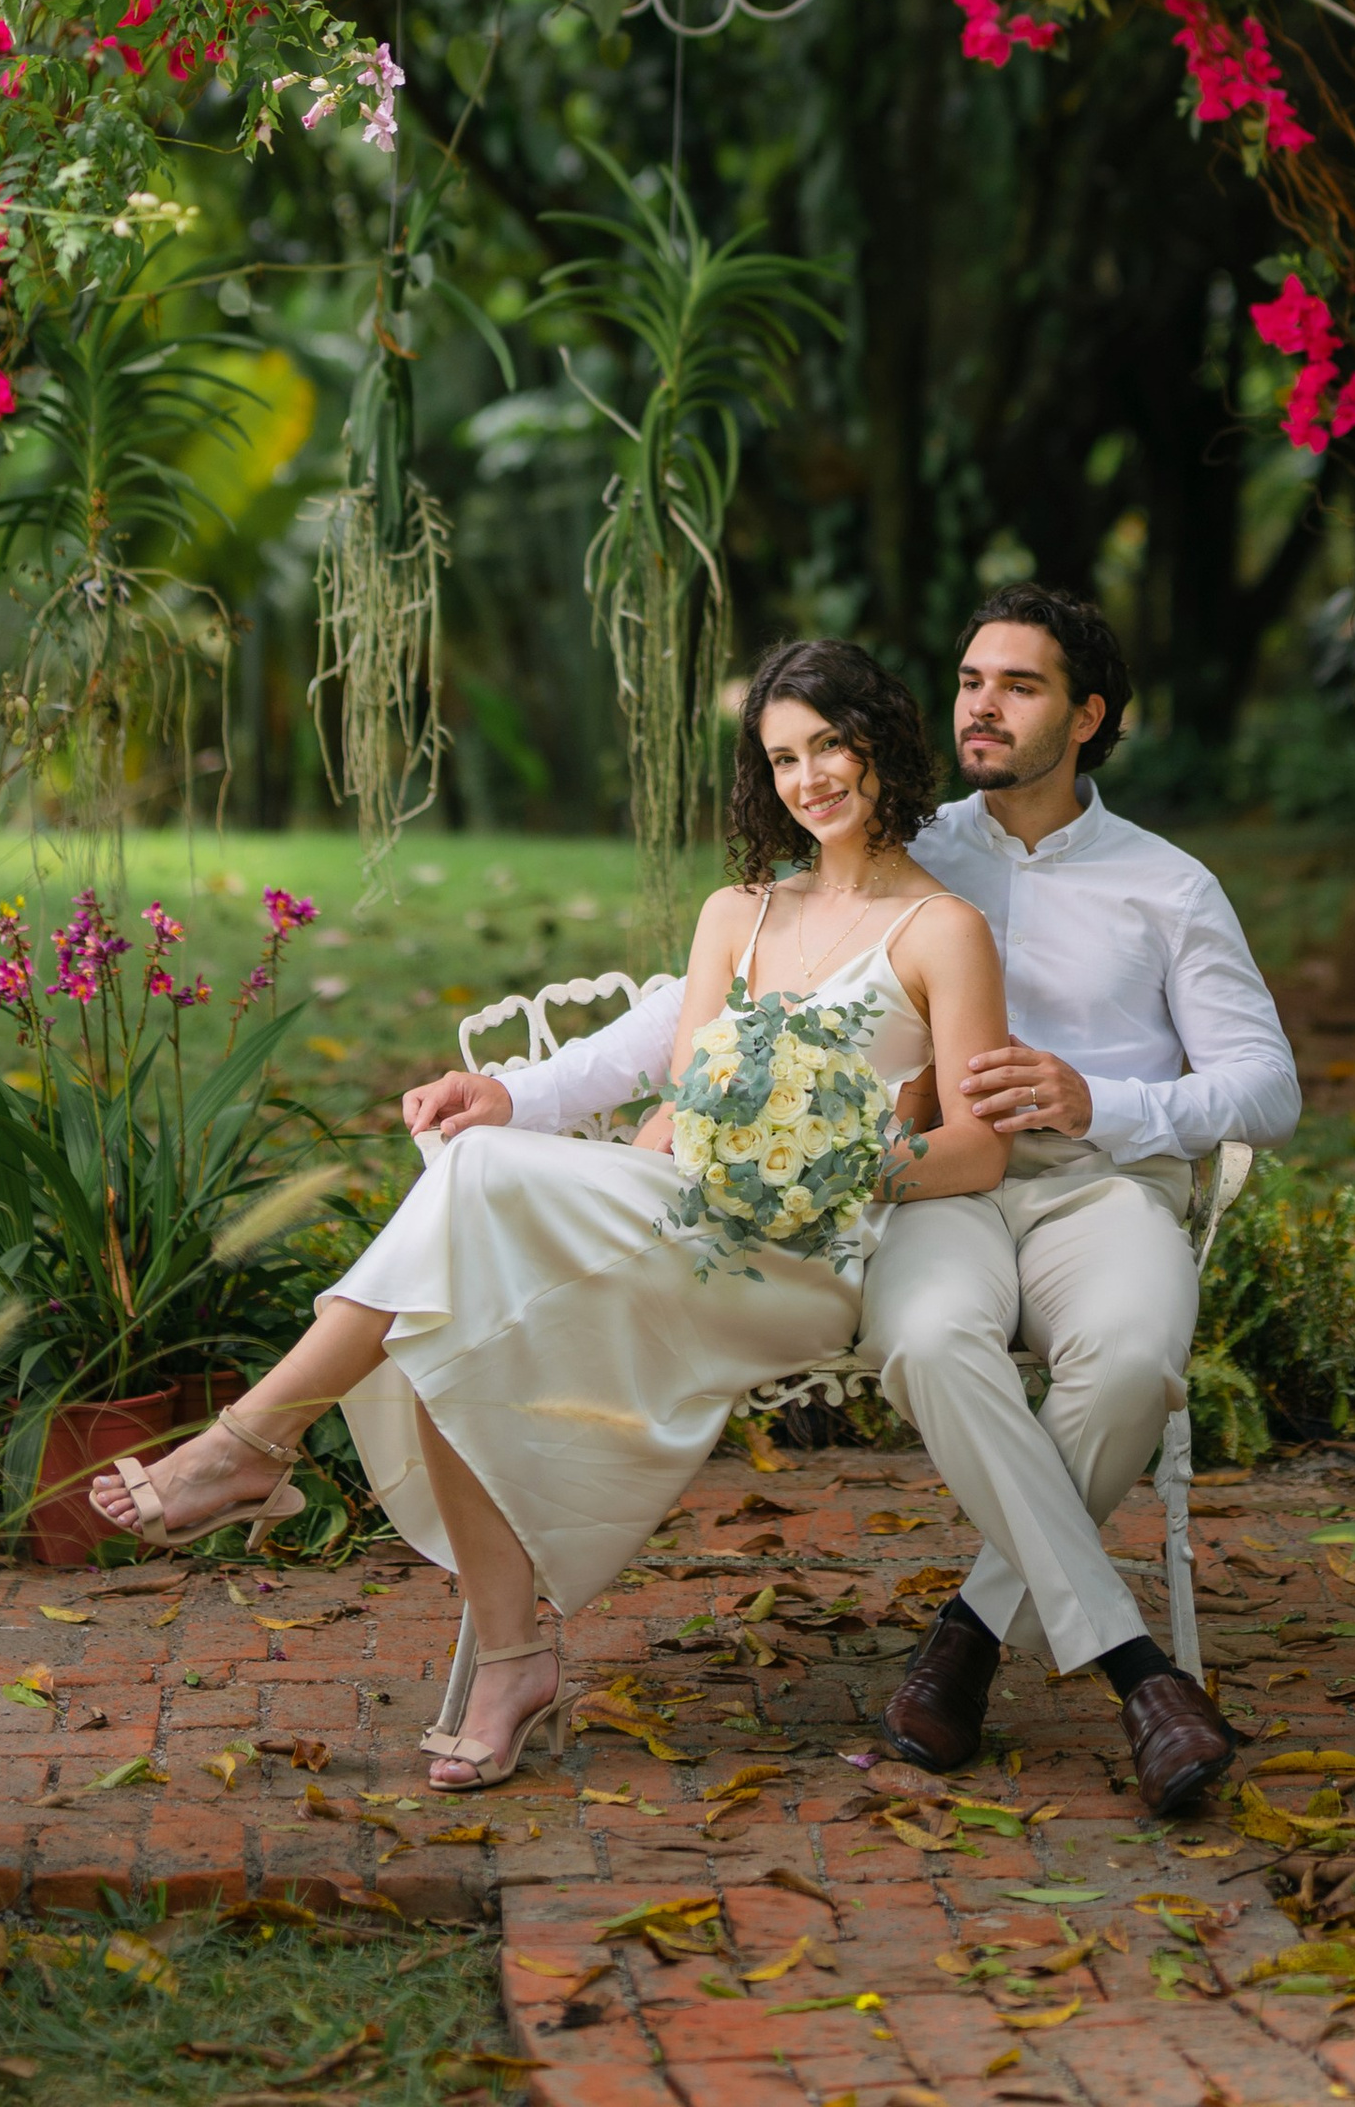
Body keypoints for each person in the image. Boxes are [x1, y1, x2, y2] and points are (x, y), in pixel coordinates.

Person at [406, 583, 1301, 1814]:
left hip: (1098, 1188)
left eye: (1021, 686)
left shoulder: (1169, 886)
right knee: (929, 1341)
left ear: (1087, 716)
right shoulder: (908, 843)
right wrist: (526, 1094)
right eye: (972, 679)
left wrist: (1101, 1102)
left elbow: (1266, 1089)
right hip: (929, 1186)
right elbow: (705, 1009)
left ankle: (974, 1634)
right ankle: (1133, 1671)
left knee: (1137, 1359)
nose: (984, 704)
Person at [86, 640, 1007, 1791]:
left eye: (831, 744)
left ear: (882, 742)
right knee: (445, 1306)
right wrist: (637, 1164)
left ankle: (251, 1444)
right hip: (686, 1211)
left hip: (807, 1255)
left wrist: (837, 1171)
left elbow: (975, 1145)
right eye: (782, 757)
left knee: (469, 1184)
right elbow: (685, 1095)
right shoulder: (737, 913)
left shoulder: (943, 930)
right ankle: (506, 1659)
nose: (810, 777)